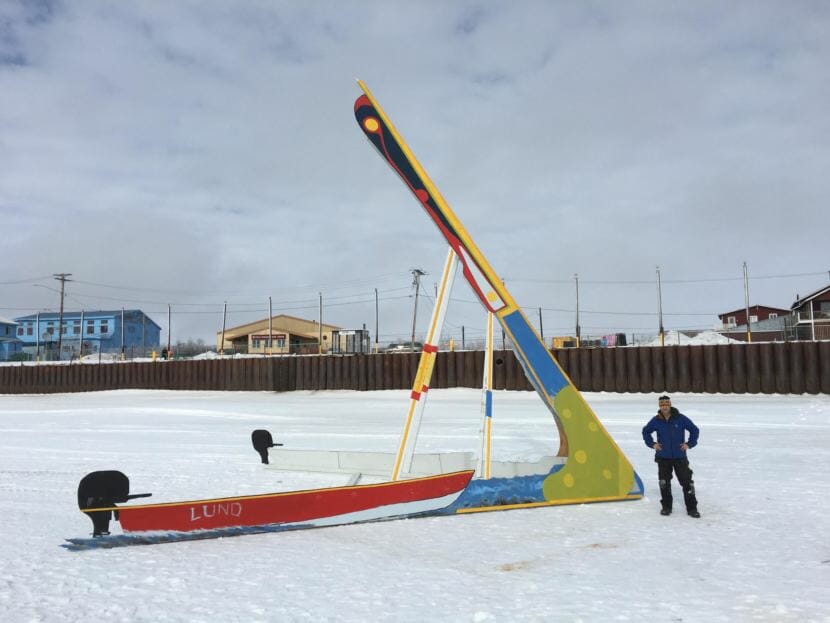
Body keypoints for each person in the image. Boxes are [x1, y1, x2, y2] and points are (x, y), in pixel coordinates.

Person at [642, 395, 701, 518]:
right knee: (664, 483)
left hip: (680, 457)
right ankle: (666, 507)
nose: (664, 406)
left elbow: (694, 430)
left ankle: (692, 509)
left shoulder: (680, 418)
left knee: (687, 483)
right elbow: (646, 431)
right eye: (662, 404)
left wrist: (689, 444)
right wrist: (652, 444)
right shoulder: (656, 420)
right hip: (663, 457)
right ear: (659, 406)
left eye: (666, 404)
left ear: (670, 404)